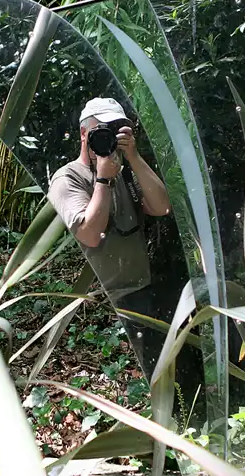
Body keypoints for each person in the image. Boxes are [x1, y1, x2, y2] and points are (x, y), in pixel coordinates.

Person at [48, 98, 171, 371]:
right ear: (84, 134)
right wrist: (103, 180)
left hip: (143, 289)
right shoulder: (67, 178)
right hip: (106, 302)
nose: (108, 135)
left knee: (159, 370)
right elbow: (90, 235)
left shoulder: (124, 171)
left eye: (115, 128)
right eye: (101, 129)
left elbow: (161, 207)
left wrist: (134, 158)